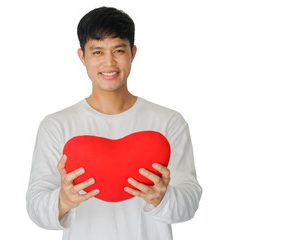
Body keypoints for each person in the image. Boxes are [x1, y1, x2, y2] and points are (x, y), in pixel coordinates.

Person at [26, 6, 202, 240]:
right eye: (97, 52)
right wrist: (63, 200)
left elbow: (189, 202)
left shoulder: (168, 122)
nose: (109, 63)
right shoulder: (57, 125)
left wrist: (163, 197)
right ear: (82, 57)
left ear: (133, 53)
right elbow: (35, 204)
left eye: (118, 50)